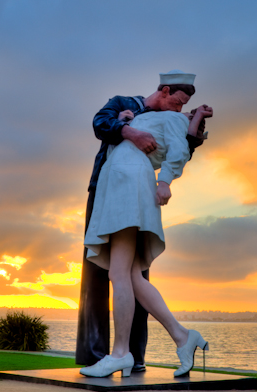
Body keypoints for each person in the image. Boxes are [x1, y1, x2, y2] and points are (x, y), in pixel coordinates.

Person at [79, 73, 214, 378]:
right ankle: (182, 336)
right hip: (117, 182)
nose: (179, 109)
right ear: (165, 91)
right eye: (177, 101)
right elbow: (103, 123)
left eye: (185, 108)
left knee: (120, 273)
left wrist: (165, 181)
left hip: (129, 182)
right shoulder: (134, 111)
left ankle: (120, 353)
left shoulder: (172, 119)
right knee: (127, 274)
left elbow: (181, 150)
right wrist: (128, 121)